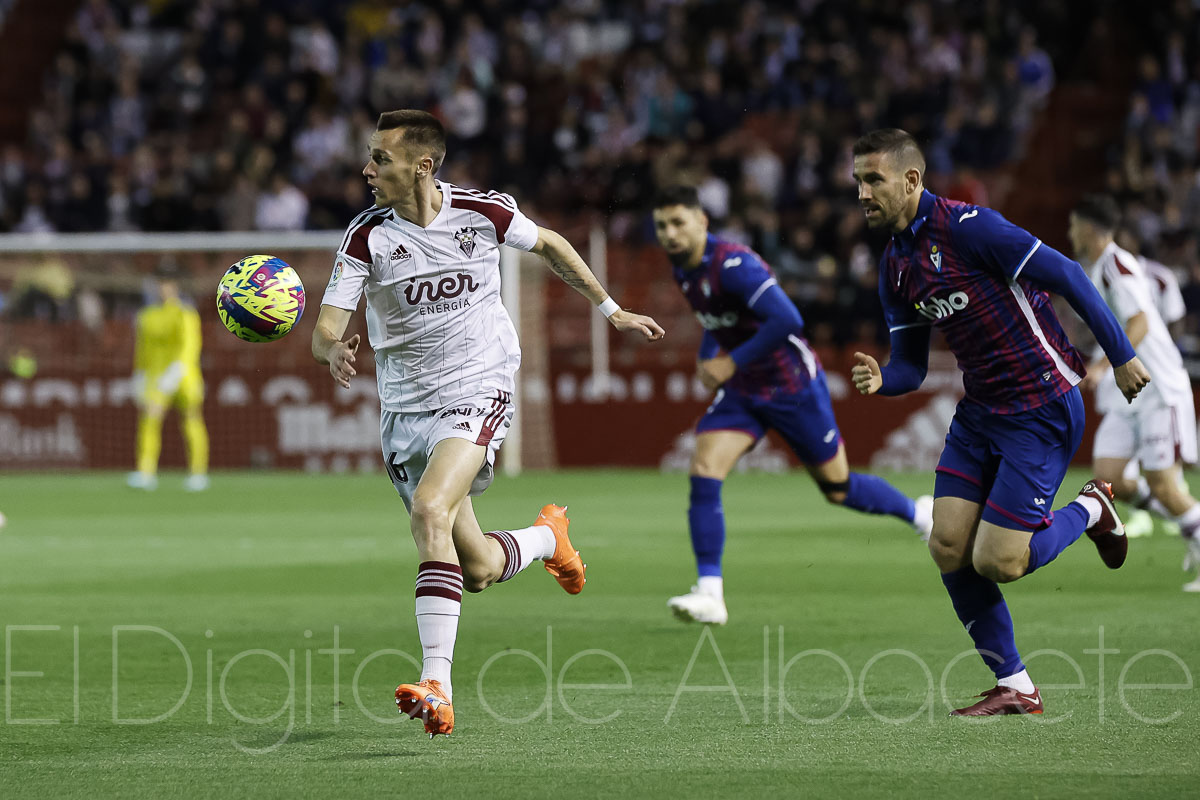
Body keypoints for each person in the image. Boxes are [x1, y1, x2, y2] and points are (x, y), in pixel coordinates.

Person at [312, 110, 664, 738]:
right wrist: (334, 348)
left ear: (422, 166)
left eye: (380, 159)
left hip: (479, 384)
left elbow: (552, 244)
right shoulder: (366, 236)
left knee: (429, 510)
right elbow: (326, 328)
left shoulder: (484, 213)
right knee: (473, 568)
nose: (367, 170)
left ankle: (437, 685)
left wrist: (611, 310)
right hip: (405, 411)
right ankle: (546, 540)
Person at [849, 129, 1151, 717]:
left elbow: (1067, 274)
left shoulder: (971, 229)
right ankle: (1016, 685)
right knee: (946, 545)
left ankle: (1092, 509)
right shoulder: (895, 266)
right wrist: (885, 380)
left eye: (873, 180)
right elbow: (911, 365)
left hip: (1040, 404)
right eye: (858, 180)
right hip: (981, 410)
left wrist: (1121, 355)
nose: (862, 192)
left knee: (999, 561)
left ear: (911, 180)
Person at [651, 185, 933, 626]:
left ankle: (919, 513)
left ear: (702, 222)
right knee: (704, 467)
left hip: (792, 385)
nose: (669, 233)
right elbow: (717, 320)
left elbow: (788, 319)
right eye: (662, 226)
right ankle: (710, 593)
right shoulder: (684, 269)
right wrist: (713, 355)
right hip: (745, 390)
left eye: (678, 223)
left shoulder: (734, 264)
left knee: (837, 488)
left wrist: (731, 361)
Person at [1068, 195, 1200, 591]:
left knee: (1161, 482)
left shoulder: (1116, 266)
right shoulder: (1102, 267)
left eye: (1074, 226)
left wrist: (1103, 366)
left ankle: (1193, 525)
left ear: (1090, 229)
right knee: (1111, 482)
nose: (1070, 233)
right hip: (1129, 393)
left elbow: (1140, 321)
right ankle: (1189, 519)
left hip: (1156, 387)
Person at [127, 261, 209, 492]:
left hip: (184, 376)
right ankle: (145, 472)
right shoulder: (146, 316)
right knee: (149, 419)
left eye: (167, 284)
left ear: (175, 287)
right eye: (160, 284)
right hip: (155, 376)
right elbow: (141, 348)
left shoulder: (185, 314)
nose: (163, 289)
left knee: (191, 418)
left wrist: (175, 373)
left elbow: (190, 348)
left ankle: (198, 473)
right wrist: (139, 374)